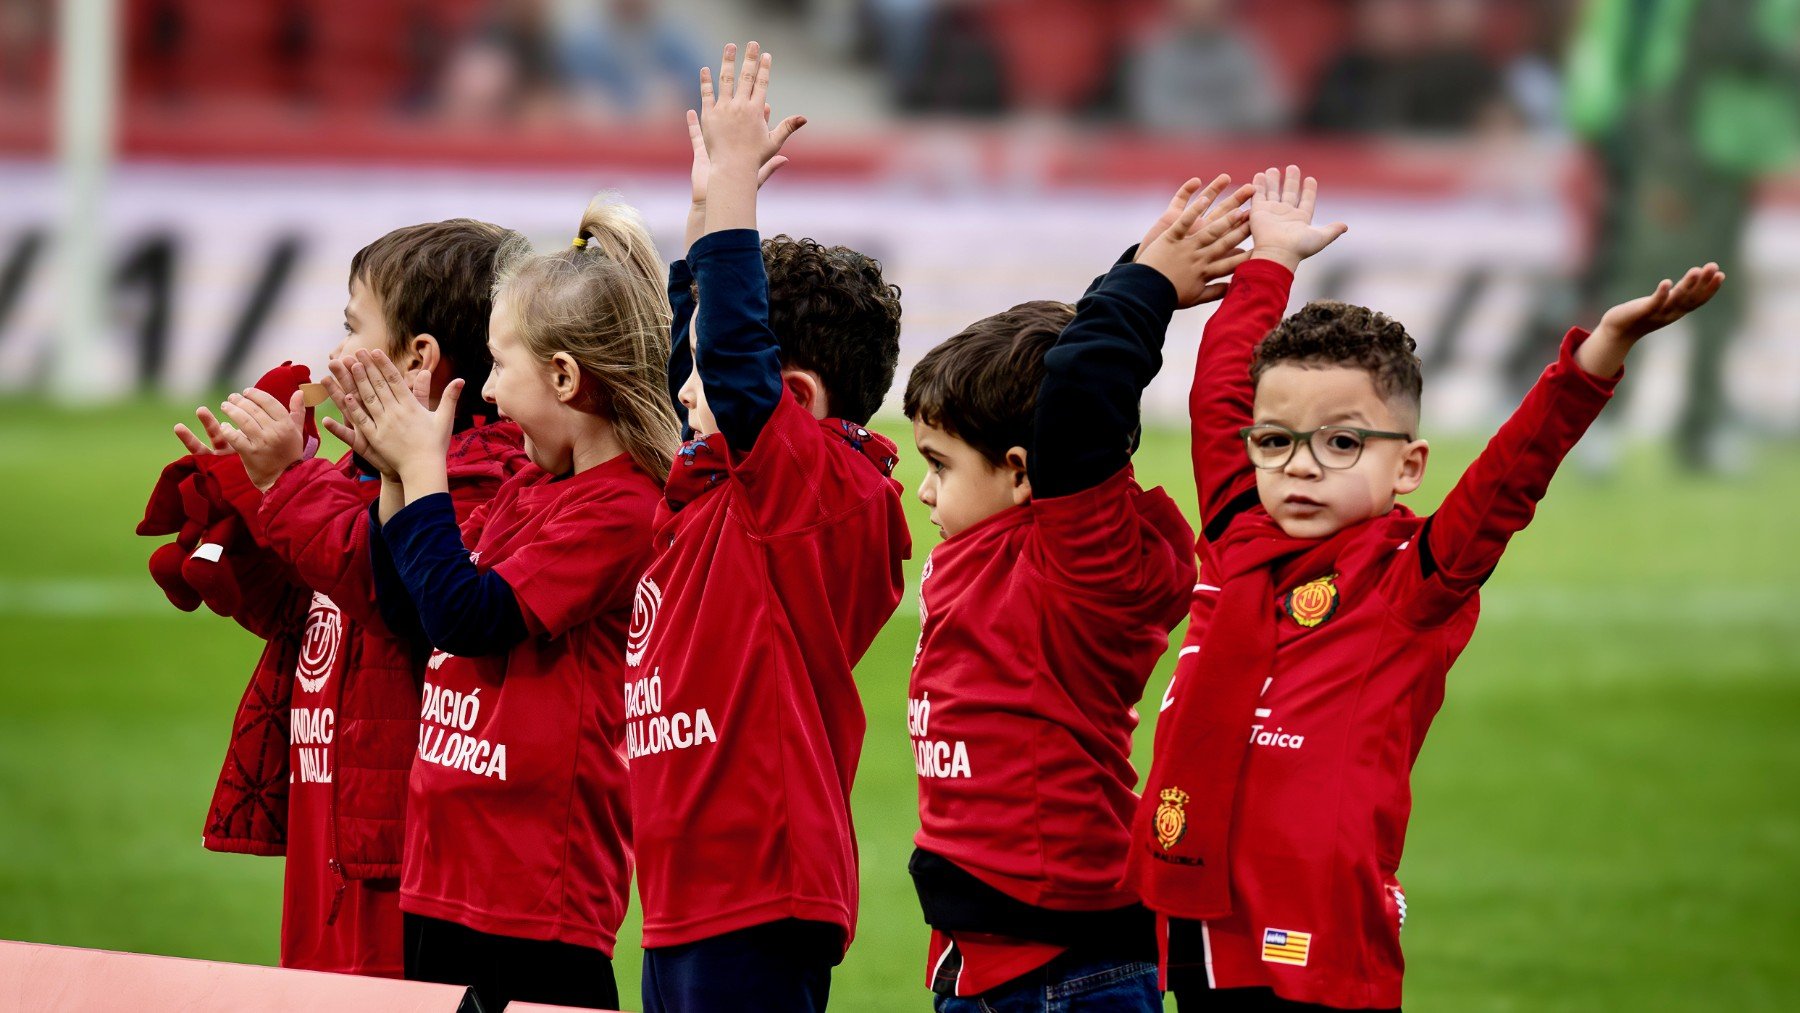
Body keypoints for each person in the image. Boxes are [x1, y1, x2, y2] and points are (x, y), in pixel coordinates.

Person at [1133, 165, 1723, 1010]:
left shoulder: (1409, 579)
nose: (1300, 465)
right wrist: (1269, 263)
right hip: (1191, 898)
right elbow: (1218, 388)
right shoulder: (1237, 524)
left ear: (1407, 464)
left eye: (1341, 444)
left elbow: (1506, 483)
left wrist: (1596, 359)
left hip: (1315, 923)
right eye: (1276, 441)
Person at [898, 174, 1252, 1010]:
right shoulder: (988, 543)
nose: (924, 491)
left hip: (1063, 970)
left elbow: (1081, 393)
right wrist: (1134, 269)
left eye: (939, 465)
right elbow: (1066, 370)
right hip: (985, 955)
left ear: (1024, 472)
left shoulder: (1080, 562)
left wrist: (1149, 285)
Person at [324, 195, 676, 1011]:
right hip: (444, 872)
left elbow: (470, 618)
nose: (487, 387)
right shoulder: (531, 486)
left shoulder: (620, 509)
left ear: (563, 377)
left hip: (532, 896)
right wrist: (392, 472)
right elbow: (412, 611)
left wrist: (428, 472)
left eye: (498, 365)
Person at [155, 219, 530, 978]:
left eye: (353, 326)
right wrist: (249, 508)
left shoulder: (480, 482)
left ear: (418, 358)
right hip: (333, 837)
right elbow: (307, 619)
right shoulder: (367, 474)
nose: (335, 351)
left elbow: (382, 588)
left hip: (400, 862)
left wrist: (287, 483)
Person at [626, 42, 910, 1013]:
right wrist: (708, 209)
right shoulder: (722, 491)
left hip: (760, 883)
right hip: (684, 889)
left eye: (715, 372)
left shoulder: (816, 492)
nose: (688, 391)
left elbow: (734, 361)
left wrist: (737, 206)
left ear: (789, 396)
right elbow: (697, 363)